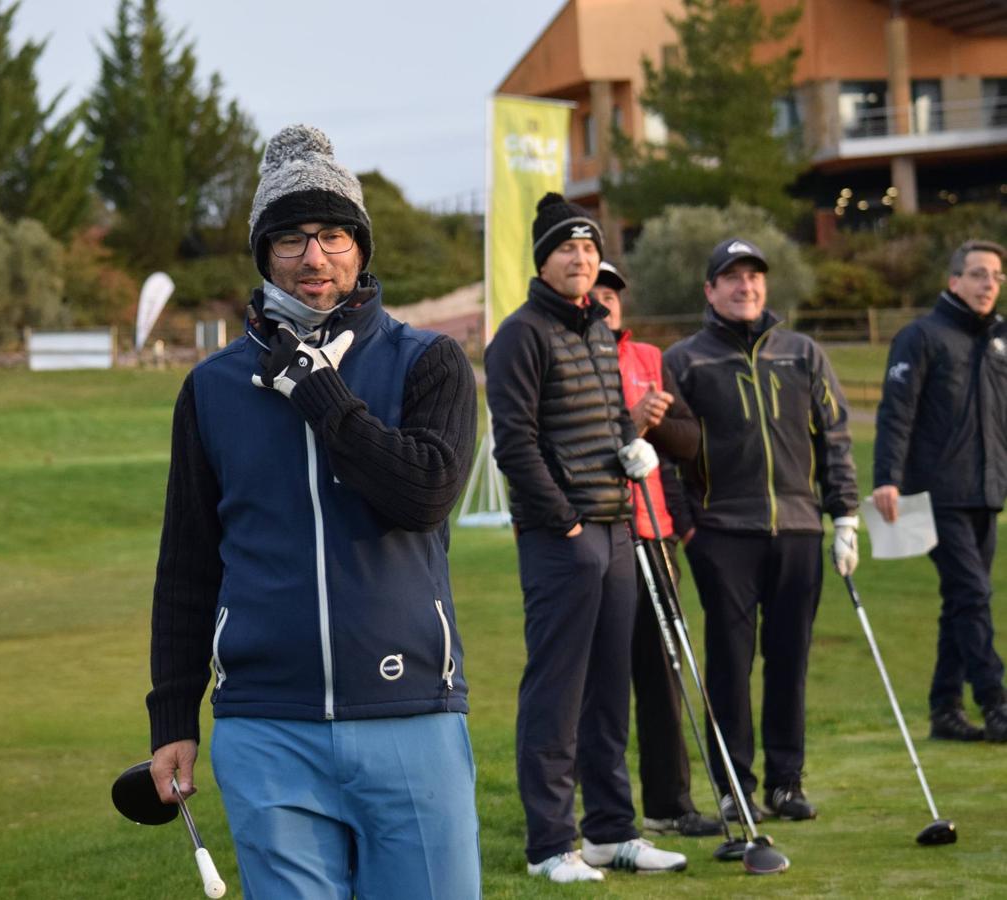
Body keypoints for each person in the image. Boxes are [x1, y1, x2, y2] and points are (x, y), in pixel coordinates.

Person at [146, 124, 482, 897]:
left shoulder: (428, 362)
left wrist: (321, 394)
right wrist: (172, 716)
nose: (314, 257)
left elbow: (424, 495)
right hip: (267, 725)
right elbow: (188, 563)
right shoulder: (212, 389)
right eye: (291, 238)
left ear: (361, 248)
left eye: (333, 234)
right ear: (265, 254)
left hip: (413, 713)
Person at [487, 193, 689, 883]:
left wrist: (632, 443)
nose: (581, 258)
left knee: (610, 689)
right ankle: (551, 844)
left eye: (590, 249)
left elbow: (601, 429)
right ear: (543, 258)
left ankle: (611, 833)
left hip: (619, 527)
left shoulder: (599, 330)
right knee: (558, 692)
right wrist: (566, 521)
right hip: (563, 538)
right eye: (567, 248)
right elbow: (514, 446)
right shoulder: (519, 335)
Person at [664, 237, 859, 824]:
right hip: (722, 533)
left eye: (753, 277)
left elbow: (836, 438)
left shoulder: (803, 353)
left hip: (799, 528)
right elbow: (668, 452)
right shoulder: (686, 360)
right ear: (710, 290)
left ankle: (786, 782)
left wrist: (844, 516)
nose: (745, 286)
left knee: (789, 658)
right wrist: (688, 529)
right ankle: (733, 786)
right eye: (732, 278)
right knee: (729, 661)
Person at [590, 262, 720, 839]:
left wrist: (653, 428)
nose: (604, 299)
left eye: (612, 292)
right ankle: (598, 815)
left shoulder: (648, 357)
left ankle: (670, 804)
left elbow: (689, 442)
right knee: (599, 681)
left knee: (664, 674)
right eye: (595, 290)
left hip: (654, 533)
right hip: (596, 533)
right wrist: (628, 425)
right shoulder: (564, 356)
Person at [872, 239, 1007, 744]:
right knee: (973, 593)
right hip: (933, 495)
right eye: (977, 274)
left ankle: (945, 709)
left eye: (996, 275)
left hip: (986, 493)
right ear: (953, 282)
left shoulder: (999, 342)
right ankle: (995, 702)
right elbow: (895, 412)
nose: (988, 283)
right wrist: (886, 476)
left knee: (960, 601)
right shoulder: (920, 337)